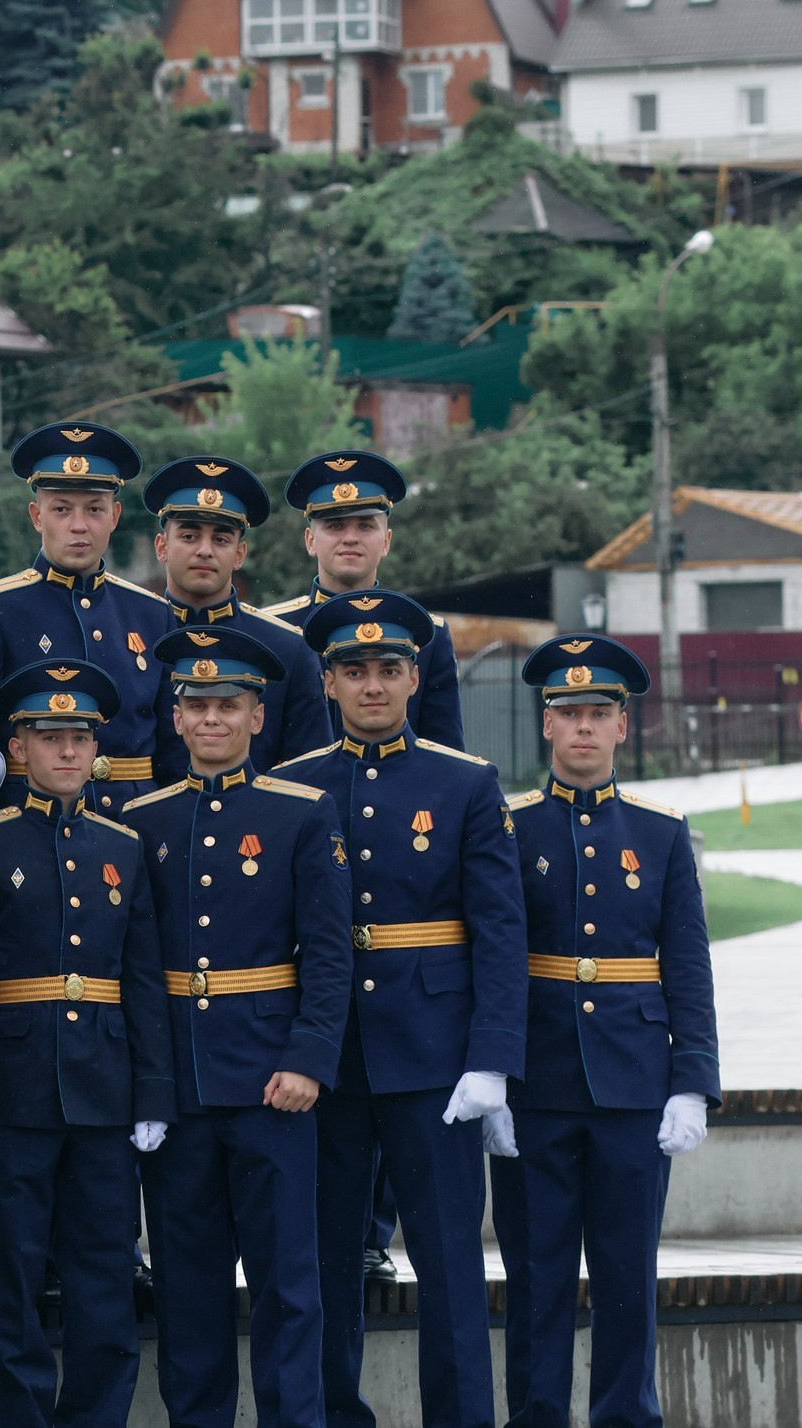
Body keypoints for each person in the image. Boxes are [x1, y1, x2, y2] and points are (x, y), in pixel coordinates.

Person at [272, 590, 524, 1428]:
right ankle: (335, 1414)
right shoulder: (293, 787)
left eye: (388, 669)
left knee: (450, 1264)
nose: (372, 685)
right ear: (328, 682)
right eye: (354, 671)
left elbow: (497, 928)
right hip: (330, 1059)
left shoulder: (465, 782)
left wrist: (491, 1058)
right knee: (327, 1260)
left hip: (435, 1052)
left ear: (416, 677)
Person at [119, 626, 352, 1428]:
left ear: (259, 715)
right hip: (180, 1086)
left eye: (229, 705)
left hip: (271, 1082)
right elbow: (137, 969)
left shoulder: (300, 812)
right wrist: (150, 1081)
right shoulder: (140, 821)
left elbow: (327, 952)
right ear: (176, 718)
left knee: (290, 1284)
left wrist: (309, 1059)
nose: (211, 720)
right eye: (197, 706)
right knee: (188, 1284)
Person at [499, 634, 718, 1428]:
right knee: (536, 1277)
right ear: (547, 726)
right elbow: (493, 960)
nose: (584, 727)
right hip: (536, 1083)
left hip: (634, 1085)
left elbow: (688, 967)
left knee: (629, 1278)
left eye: (599, 713)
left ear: (623, 727)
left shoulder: (660, 832)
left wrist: (692, 1082)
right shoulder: (509, 827)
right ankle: (538, 1417)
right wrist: (491, 1073)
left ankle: (628, 1418)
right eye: (569, 714)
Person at [0, 658, 173, 1428]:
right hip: (17, 1088)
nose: (70, 752)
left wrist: (154, 1092)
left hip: (107, 1088)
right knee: (13, 1280)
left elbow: (142, 979)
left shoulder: (122, 844)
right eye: (52, 738)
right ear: (19, 749)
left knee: (105, 1275)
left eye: (81, 737)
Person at [0, 422, 176, 817]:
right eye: (61, 509)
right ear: (37, 516)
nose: (79, 525)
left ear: (115, 516)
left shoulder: (152, 614)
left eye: (94, 509)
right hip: (28, 822)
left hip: (136, 821)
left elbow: (172, 746)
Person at [140, 456, 328, 780]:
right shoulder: (132, 635)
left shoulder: (288, 649)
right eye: (189, 536)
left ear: (240, 554)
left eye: (221, 539)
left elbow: (311, 774)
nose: (204, 550)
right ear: (161, 547)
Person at [261, 453, 462, 748]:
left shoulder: (427, 635)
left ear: (387, 541)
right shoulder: (270, 632)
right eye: (335, 526)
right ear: (310, 540)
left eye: (366, 526)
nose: (350, 538)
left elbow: (446, 760)